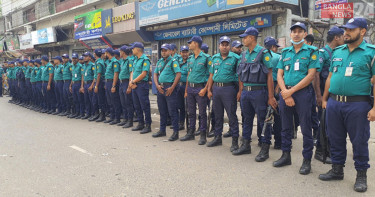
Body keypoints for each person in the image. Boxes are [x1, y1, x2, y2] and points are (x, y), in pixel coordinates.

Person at [319, 17, 375, 193]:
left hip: (357, 104)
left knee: (359, 141)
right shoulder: (338, 51)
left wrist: (374, 108)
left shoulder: (371, 53)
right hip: (334, 102)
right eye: (345, 29)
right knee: (335, 138)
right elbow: (330, 77)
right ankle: (337, 170)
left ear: (363, 31)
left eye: (351, 29)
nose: (346, 32)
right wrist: (324, 99)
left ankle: (361, 175)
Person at [273, 22, 319, 175]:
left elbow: (311, 75)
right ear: (290, 34)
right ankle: (286, 155)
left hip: (302, 94)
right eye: (294, 31)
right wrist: (285, 92)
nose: (297, 34)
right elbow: (279, 74)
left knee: (306, 128)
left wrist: (290, 91)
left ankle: (307, 160)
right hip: (286, 93)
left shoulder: (312, 51)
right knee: (285, 127)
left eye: (300, 31)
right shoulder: (285, 52)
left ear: (305, 34)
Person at [232, 27, 276, 162]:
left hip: (259, 92)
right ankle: (246, 145)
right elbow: (240, 74)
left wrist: (271, 96)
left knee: (264, 120)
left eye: (245, 37)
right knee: (246, 119)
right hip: (246, 91)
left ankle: (265, 148)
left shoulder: (263, 53)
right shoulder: (244, 55)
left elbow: (269, 75)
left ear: (252, 37)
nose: (243, 40)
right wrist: (240, 90)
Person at [206, 36, 240, 152]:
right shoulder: (214, 58)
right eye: (222, 44)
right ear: (219, 46)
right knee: (218, 115)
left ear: (229, 46)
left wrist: (240, 91)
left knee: (231, 115)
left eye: (226, 44)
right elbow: (211, 75)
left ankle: (235, 141)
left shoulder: (235, 58)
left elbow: (240, 76)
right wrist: (209, 90)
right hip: (216, 89)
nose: (224, 47)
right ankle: (217, 137)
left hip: (229, 89)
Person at [180, 36, 211, 144]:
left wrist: (206, 89)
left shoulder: (206, 58)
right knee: (190, 112)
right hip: (190, 88)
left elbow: (211, 75)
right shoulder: (190, 58)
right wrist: (186, 90)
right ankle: (191, 133)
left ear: (196, 44)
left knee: (202, 113)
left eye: (190, 43)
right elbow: (189, 74)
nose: (189, 45)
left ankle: (203, 135)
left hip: (200, 88)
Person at [152, 43, 181, 141]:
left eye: (165, 50)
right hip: (161, 87)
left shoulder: (173, 61)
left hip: (169, 88)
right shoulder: (160, 62)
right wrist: (156, 85)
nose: (163, 52)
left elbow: (178, 74)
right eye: (162, 50)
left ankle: (175, 132)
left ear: (170, 51)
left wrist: (172, 87)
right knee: (162, 110)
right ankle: (162, 130)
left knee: (172, 111)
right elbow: (155, 74)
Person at [129, 42, 152, 134]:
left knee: (145, 106)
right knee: (137, 105)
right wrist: (131, 82)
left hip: (142, 85)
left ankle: (148, 125)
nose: (132, 50)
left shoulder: (145, 59)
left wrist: (133, 81)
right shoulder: (135, 60)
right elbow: (132, 72)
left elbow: (144, 73)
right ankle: (140, 123)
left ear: (138, 49)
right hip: (134, 85)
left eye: (133, 48)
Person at [264, 36, 282, 150]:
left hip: (264, 86)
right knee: (278, 115)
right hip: (277, 85)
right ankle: (278, 142)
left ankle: (264, 140)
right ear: (273, 47)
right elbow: (283, 74)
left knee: (265, 114)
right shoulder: (279, 57)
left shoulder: (261, 56)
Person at [104, 48, 122, 125]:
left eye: (105, 53)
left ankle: (117, 118)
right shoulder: (109, 62)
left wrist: (114, 86)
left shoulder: (115, 62)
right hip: (108, 82)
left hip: (112, 82)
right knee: (110, 101)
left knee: (115, 101)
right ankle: (112, 117)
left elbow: (116, 74)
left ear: (108, 53)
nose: (105, 54)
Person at [118, 45, 134, 128]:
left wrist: (129, 86)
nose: (119, 53)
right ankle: (125, 119)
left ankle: (130, 120)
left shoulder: (129, 60)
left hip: (126, 83)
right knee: (123, 102)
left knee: (128, 103)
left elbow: (131, 72)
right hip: (121, 83)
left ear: (123, 52)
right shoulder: (122, 61)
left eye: (120, 51)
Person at [176, 45, 190, 131]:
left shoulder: (190, 61)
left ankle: (189, 125)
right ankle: (181, 123)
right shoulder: (178, 61)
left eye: (186, 52)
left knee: (188, 107)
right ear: (180, 53)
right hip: (178, 86)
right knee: (180, 106)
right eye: (183, 52)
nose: (184, 54)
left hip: (186, 86)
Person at [90, 49, 106, 122]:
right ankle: (96, 114)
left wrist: (96, 86)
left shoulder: (99, 62)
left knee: (100, 100)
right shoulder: (97, 62)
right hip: (97, 82)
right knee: (95, 100)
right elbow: (96, 76)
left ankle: (102, 116)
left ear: (95, 54)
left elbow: (99, 75)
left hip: (99, 83)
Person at [81, 52, 96, 120]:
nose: (84, 58)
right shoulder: (83, 66)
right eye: (84, 56)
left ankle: (93, 114)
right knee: (86, 100)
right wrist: (82, 86)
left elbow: (95, 76)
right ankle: (88, 113)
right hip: (85, 84)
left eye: (86, 56)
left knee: (92, 100)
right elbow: (83, 76)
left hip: (90, 83)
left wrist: (92, 85)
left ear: (90, 57)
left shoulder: (92, 65)